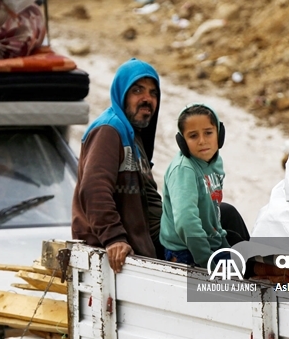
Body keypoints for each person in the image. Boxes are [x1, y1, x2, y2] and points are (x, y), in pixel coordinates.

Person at [72, 58, 162, 273]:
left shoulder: (134, 138)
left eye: (153, 93)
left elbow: (149, 200)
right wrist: (114, 238)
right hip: (113, 260)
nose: (147, 99)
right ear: (121, 94)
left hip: (141, 255)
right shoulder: (109, 130)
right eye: (138, 90)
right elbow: (94, 189)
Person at [160, 104, 248, 268]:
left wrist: (224, 248)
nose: (202, 141)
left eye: (208, 133)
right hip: (187, 253)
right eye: (193, 136)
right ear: (182, 142)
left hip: (210, 243)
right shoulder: (184, 170)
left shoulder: (214, 162)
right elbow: (187, 222)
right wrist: (208, 263)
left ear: (219, 134)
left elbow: (213, 212)